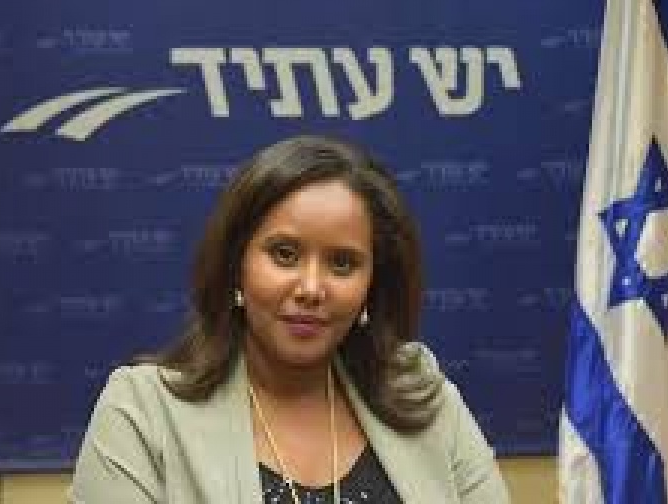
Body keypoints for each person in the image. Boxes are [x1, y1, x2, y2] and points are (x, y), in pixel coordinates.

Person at [69, 135, 510, 503]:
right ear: (236, 264)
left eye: (342, 263)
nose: (311, 288)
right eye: (284, 254)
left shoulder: (422, 394)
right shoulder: (142, 412)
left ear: (373, 283)